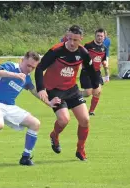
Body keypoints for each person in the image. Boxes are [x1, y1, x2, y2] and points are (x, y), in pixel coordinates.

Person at [0, 51, 61, 166]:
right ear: (22, 60)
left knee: (35, 123)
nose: (29, 69)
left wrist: (49, 102)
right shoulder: (10, 66)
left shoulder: (27, 78)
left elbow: (35, 92)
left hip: (10, 106)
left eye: (33, 68)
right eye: (28, 65)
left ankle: (25, 157)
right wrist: (14, 75)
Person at [35, 25, 100, 161]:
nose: (71, 42)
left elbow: (90, 70)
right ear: (66, 36)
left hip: (71, 89)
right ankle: (54, 135)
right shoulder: (56, 50)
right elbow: (40, 68)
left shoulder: (83, 53)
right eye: (69, 38)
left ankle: (80, 149)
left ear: (80, 39)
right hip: (54, 90)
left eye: (75, 40)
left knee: (85, 119)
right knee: (64, 120)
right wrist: (41, 88)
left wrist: (96, 86)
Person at [80, 28, 108, 116]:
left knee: (98, 92)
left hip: (96, 73)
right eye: (98, 36)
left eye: (101, 36)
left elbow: (103, 61)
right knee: (88, 93)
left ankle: (91, 111)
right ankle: (72, 94)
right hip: (87, 72)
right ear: (95, 36)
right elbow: (80, 57)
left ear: (104, 37)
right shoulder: (88, 45)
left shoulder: (104, 48)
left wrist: (107, 75)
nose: (100, 37)